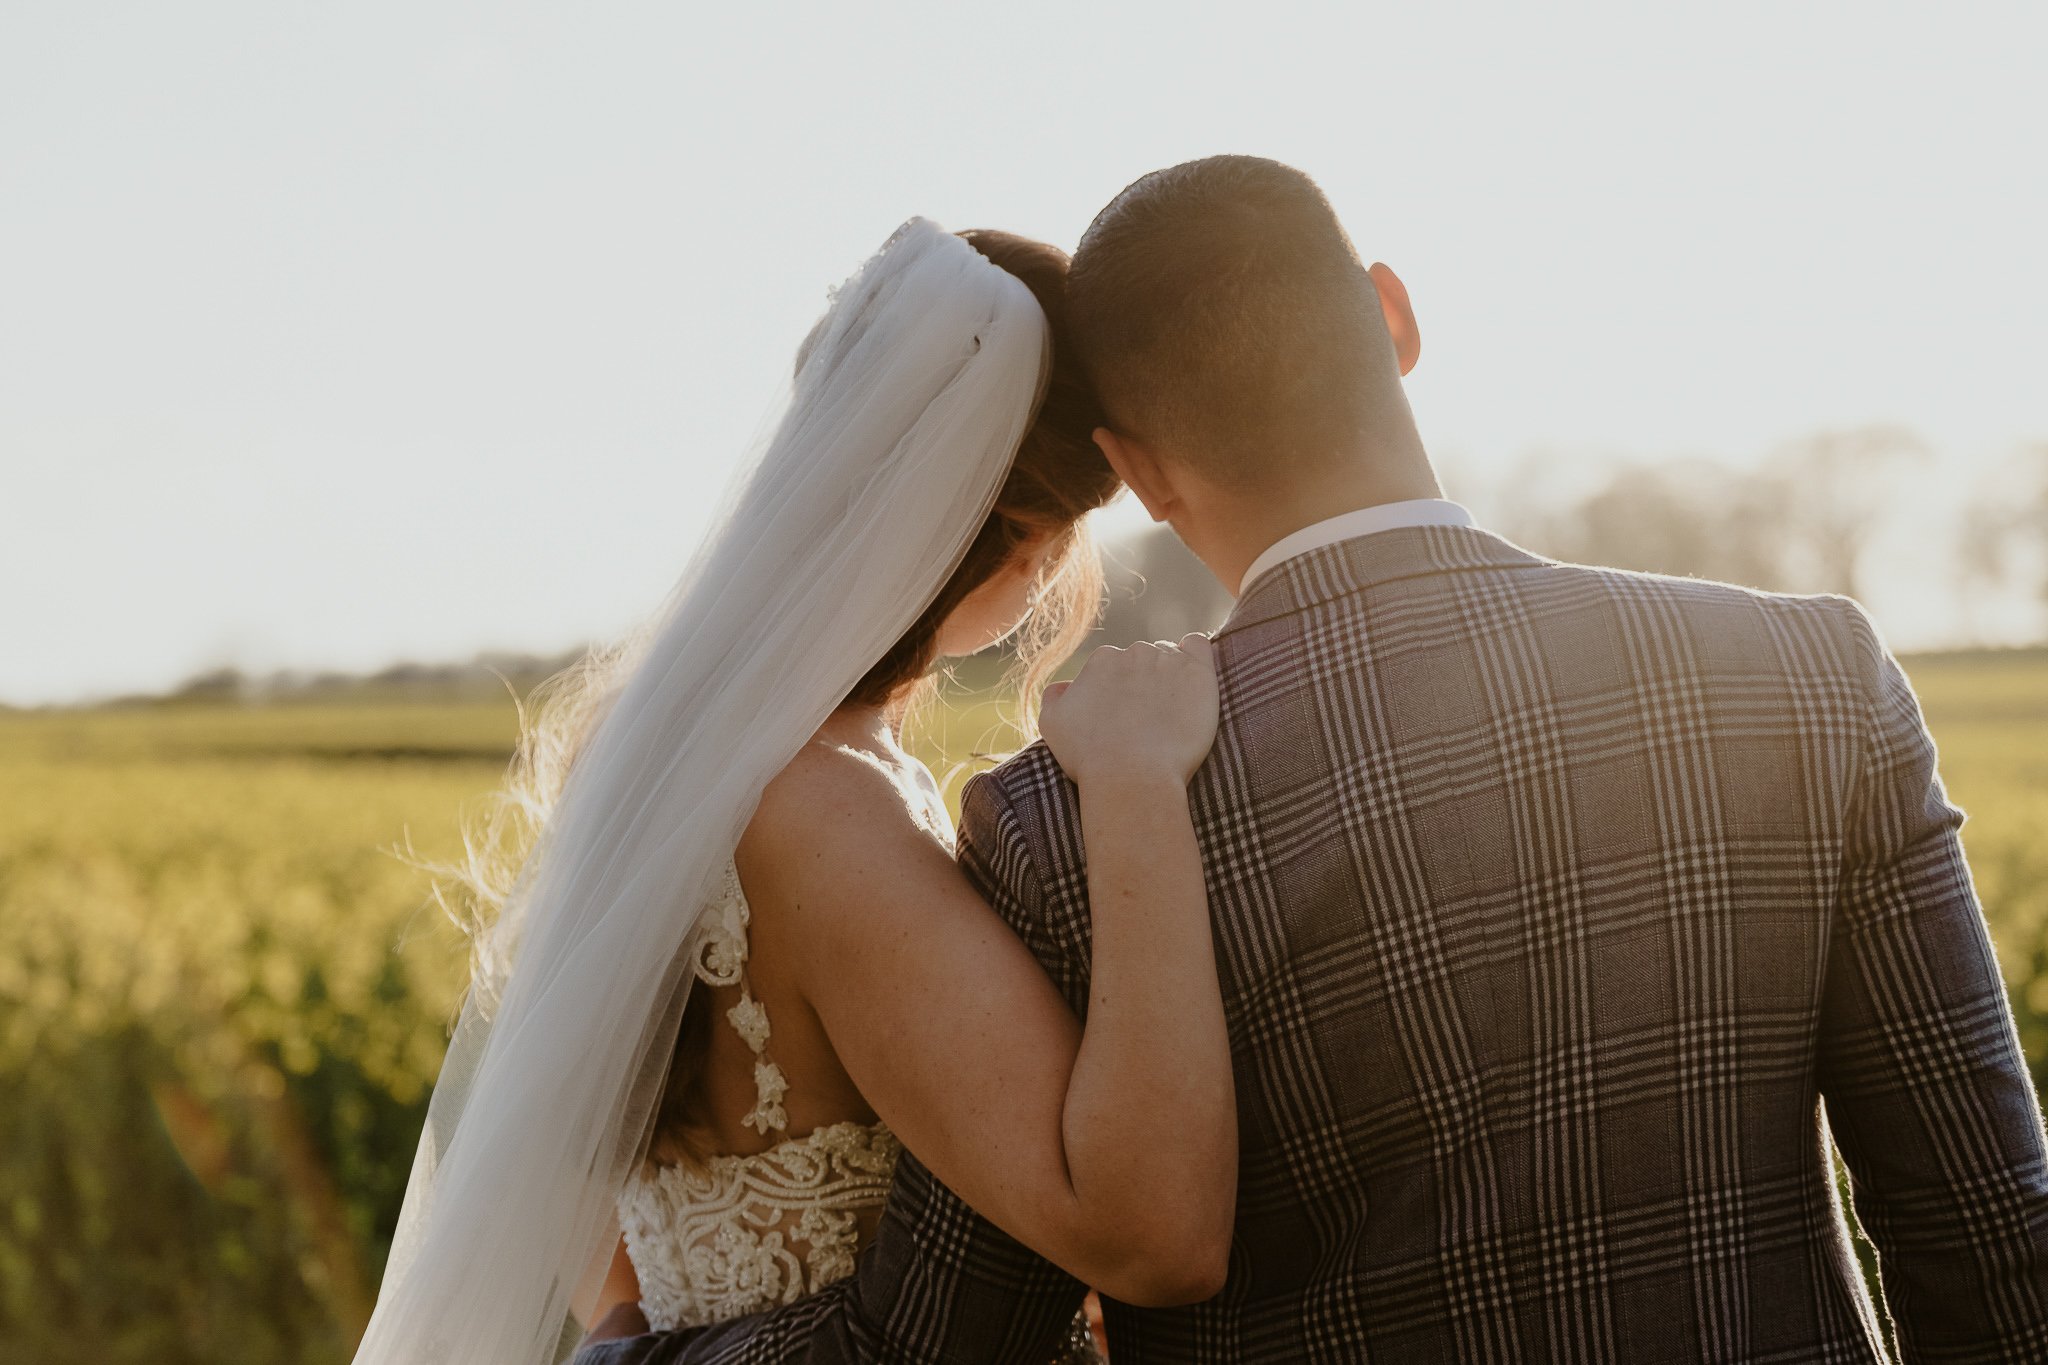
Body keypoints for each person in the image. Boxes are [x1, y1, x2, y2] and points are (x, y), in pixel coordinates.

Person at [576, 157, 2048, 1363]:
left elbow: (953, 1333)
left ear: (1135, 473)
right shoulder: (1806, 681)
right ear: (1393, 318)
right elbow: (1985, 1236)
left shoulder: (1060, 819)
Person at [350, 220, 1235, 1365]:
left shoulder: (654, 753)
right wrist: (1137, 790)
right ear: (1019, 532)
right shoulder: (825, 811)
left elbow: (590, 1229)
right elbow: (1143, 1236)